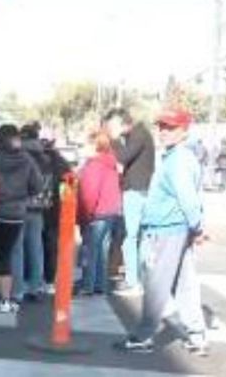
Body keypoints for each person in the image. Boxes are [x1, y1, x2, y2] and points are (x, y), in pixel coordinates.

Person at [114, 107, 209, 356]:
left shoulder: (177, 160)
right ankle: (197, 335)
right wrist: (196, 226)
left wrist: (197, 226)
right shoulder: (178, 157)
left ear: (184, 131)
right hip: (176, 228)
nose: (163, 132)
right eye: (161, 127)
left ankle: (144, 336)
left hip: (167, 230)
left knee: (157, 285)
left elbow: (188, 198)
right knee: (184, 283)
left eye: (170, 128)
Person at [0, 124, 42, 312]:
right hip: (14, 214)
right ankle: (5, 301)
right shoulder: (26, 159)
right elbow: (37, 186)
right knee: (6, 256)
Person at [104, 108, 155, 297]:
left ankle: (134, 282)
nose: (111, 131)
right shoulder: (140, 134)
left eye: (113, 127)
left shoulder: (138, 135)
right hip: (140, 189)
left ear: (122, 123)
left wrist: (115, 140)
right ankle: (139, 280)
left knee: (131, 238)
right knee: (139, 238)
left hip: (136, 190)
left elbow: (123, 157)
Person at [76, 132, 122, 296]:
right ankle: (99, 284)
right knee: (102, 249)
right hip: (110, 210)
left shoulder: (94, 165)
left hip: (96, 212)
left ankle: (88, 285)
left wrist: (86, 215)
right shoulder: (110, 162)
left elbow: (89, 193)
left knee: (90, 249)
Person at [12, 123, 51, 303]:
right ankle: (35, 286)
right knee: (36, 247)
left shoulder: (19, 156)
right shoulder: (45, 157)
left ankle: (18, 289)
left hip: (19, 206)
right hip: (39, 207)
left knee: (17, 249)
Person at [41, 138, 71, 294]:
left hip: (38, 209)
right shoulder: (62, 164)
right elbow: (69, 189)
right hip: (56, 211)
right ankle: (50, 280)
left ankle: (34, 280)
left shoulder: (36, 161)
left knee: (35, 246)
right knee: (52, 247)